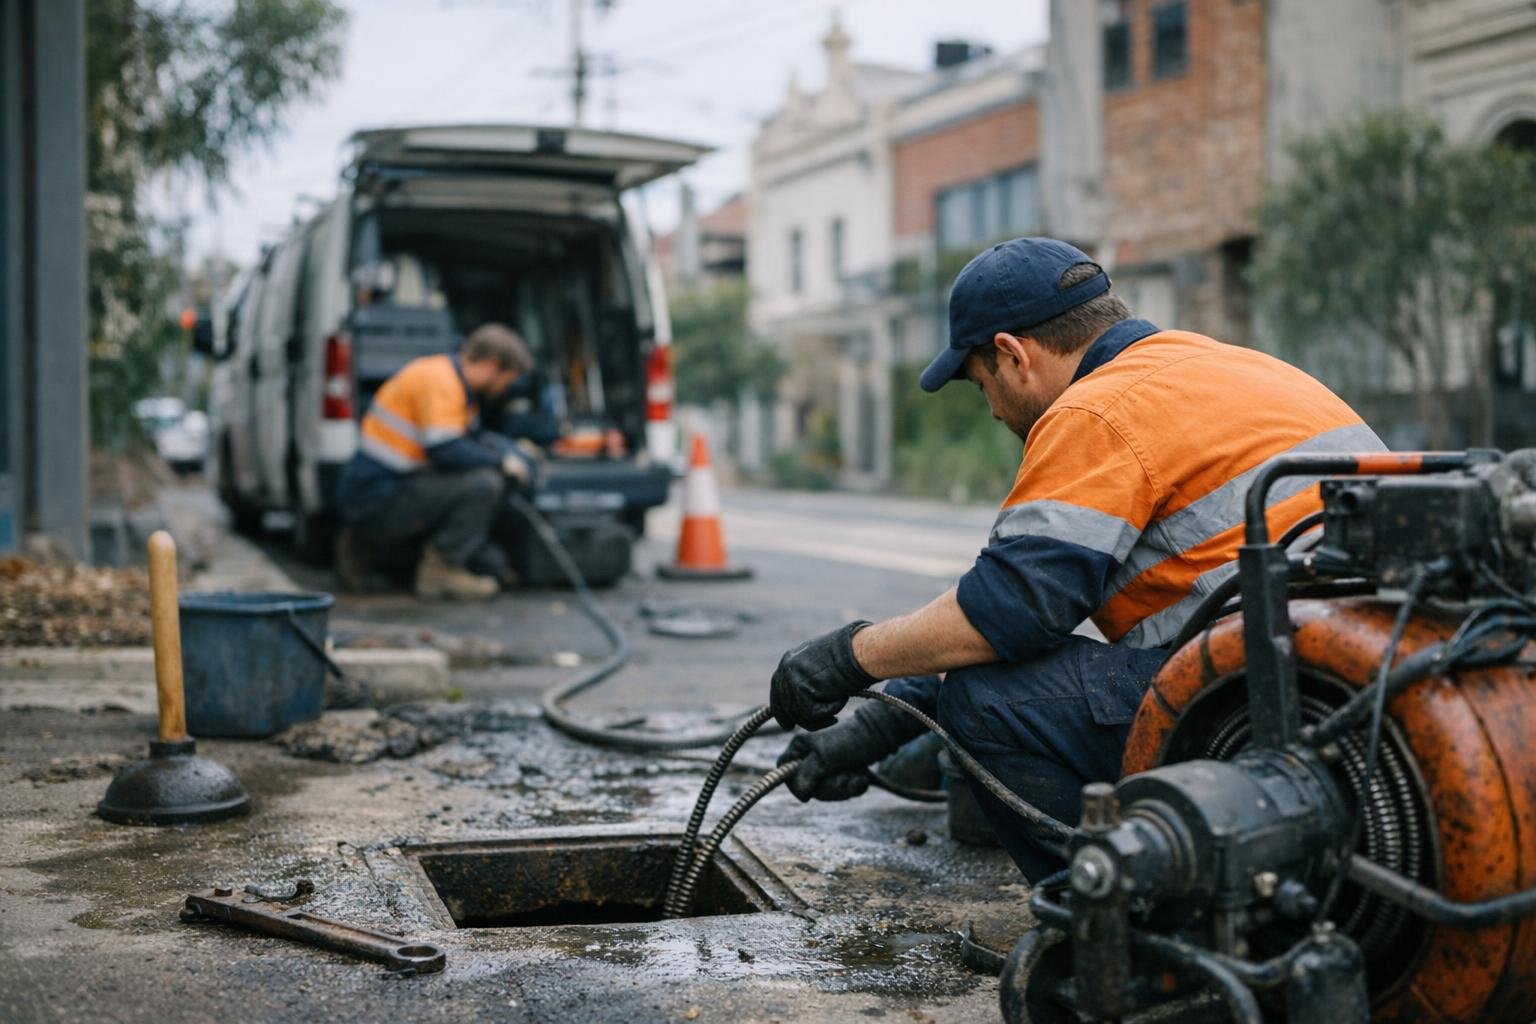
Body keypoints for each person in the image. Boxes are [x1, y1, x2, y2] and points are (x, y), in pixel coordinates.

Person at [767, 237, 1385, 880]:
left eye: (983, 385)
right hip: (1375, 674)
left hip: (1273, 703)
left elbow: (1004, 617)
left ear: (1012, 355)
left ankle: (1116, 922)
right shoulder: (1225, 366)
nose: (994, 410)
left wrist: (846, 658)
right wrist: (874, 732)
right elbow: (1023, 602)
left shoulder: (1096, 411)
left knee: (987, 703)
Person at [334, 323, 538, 600]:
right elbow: (445, 449)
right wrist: (501, 462)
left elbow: (468, 437)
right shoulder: (442, 382)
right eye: (507, 380)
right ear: (492, 365)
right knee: (485, 484)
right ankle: (440, 572)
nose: (505, 389)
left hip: (379, 493)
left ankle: (361, 546)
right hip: (375, 500)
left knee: (491, 554)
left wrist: (508, 449)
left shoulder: (451, 380)